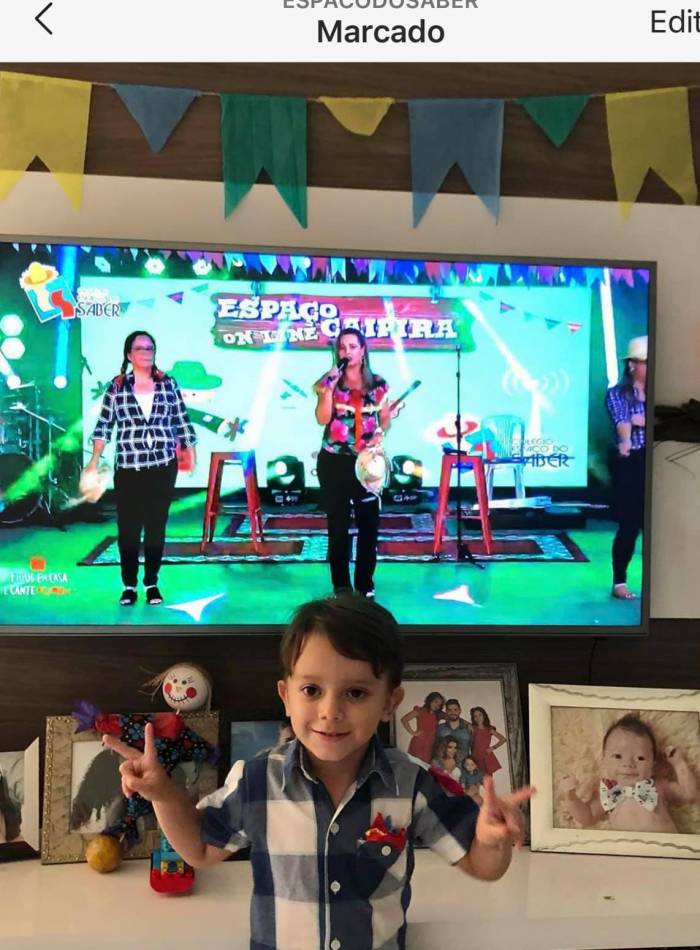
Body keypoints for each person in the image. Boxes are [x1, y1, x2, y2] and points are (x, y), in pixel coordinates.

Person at [103, 594, 534, 950]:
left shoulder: (413, 782)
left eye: (356, 693)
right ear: (286, 696)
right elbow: (199, 849)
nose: (331, 711)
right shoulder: (257, 780)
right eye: (311, 690)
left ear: (389, 703)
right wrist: (162, 793)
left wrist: (490, 840)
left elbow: (482, 866)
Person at [85, 331, 197, 607]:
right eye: (140, 348)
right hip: (129, 468)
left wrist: (190, 452)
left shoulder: (168, 384)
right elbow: (104, 425)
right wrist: (94, 461)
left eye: (150, 348)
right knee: (129, 528)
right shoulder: (117, 387)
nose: (146, 352)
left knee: (156, 526)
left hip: (162, 466)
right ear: (129, 355)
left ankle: (152, 583)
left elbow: (181, 420)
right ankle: (129, 585)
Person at [313, 328, 392, 598]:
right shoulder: (328, 382)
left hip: (366, 463)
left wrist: (380, 433)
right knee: (338, 526)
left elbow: (385, 420)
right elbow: (322, 419)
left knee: (369, 525)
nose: (346, 352)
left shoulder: (378, 384)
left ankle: (365, 585)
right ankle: (341, 587)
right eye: (342, 347)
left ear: (363, 350)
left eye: (352, 346)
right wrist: (327, 391)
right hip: (333, 461)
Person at [559, 714, 697, 832]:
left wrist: (679, 763)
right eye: (618, 756)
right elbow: (587, 817)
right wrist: (571, 798)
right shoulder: (609, 792)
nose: (628, 764)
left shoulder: (657, 787)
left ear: (653, 765)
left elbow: (690, 794)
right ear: (604, 760)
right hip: (627, 853)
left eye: (640, 758)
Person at [604, 335, 647, 601]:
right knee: (629, 525)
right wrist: (627, 437)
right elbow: (623, 421)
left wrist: (641, 419)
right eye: (645, 362)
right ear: (632, 365)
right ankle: (619, 581)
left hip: (655, 464)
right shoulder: (617, 394)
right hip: (630, 464)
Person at [400, 690, 445, 764]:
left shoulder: (439, 714)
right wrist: (413, 732)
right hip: (419, 742)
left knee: (428, 766)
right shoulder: (420, 711)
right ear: (430, 700)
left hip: (431, 743)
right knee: (417, 765)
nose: (436, 705)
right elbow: (404, 719)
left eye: (439, 705)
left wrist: (466, 723)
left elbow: (452, 716)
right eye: (435, 702)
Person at [470, 707, 506, 776]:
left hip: (486, 757)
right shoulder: (473, 728)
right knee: (476, 778)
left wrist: (493, 747)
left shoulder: (489, 729)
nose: (478, 718)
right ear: (473, 718)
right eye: (475, 716)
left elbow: (503, 739)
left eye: (480, 715)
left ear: (484, 715)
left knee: (487, 778)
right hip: (475, 757)